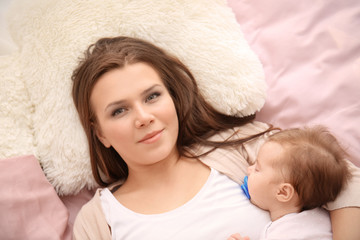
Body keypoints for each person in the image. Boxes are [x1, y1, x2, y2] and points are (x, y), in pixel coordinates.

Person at [71, 36, 360, 240]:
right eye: (119, 110)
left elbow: (348, 182)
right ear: (100, 133)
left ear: (172, 99)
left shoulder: (243, 147)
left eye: (152, 96)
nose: (143, 117)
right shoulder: (98, 220)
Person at [228, 126, 351, 240]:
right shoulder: (322, 220)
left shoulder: (285, 233)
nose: (249, 169)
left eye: (257, 169)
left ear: (283, 192)